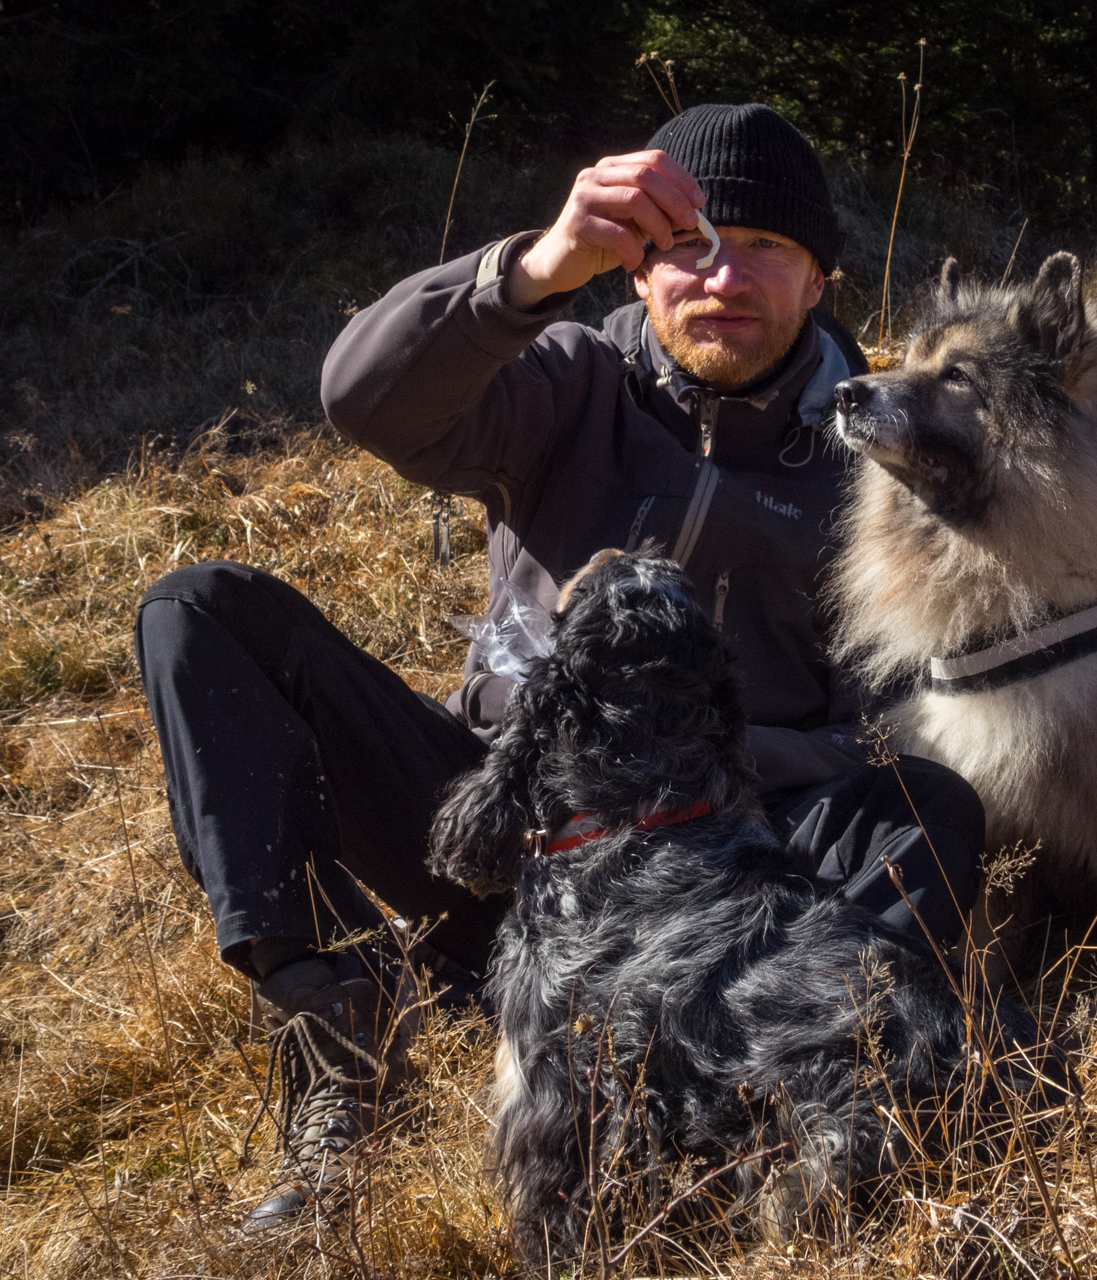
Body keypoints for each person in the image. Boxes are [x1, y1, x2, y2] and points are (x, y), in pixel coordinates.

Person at [133, 103, 986, 1235]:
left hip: (732, 877)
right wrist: (533, 269)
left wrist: (716, 772)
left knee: (924, 805)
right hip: (500, 842)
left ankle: (797, 1088)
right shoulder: (567, 380)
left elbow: (897, 716)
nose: (724, 276)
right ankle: (336, 1030)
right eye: (690, 245)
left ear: (818, 279)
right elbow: (362, 397)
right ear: (637, 272)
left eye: (768, 249)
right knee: (202, 612)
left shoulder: (870, 460)